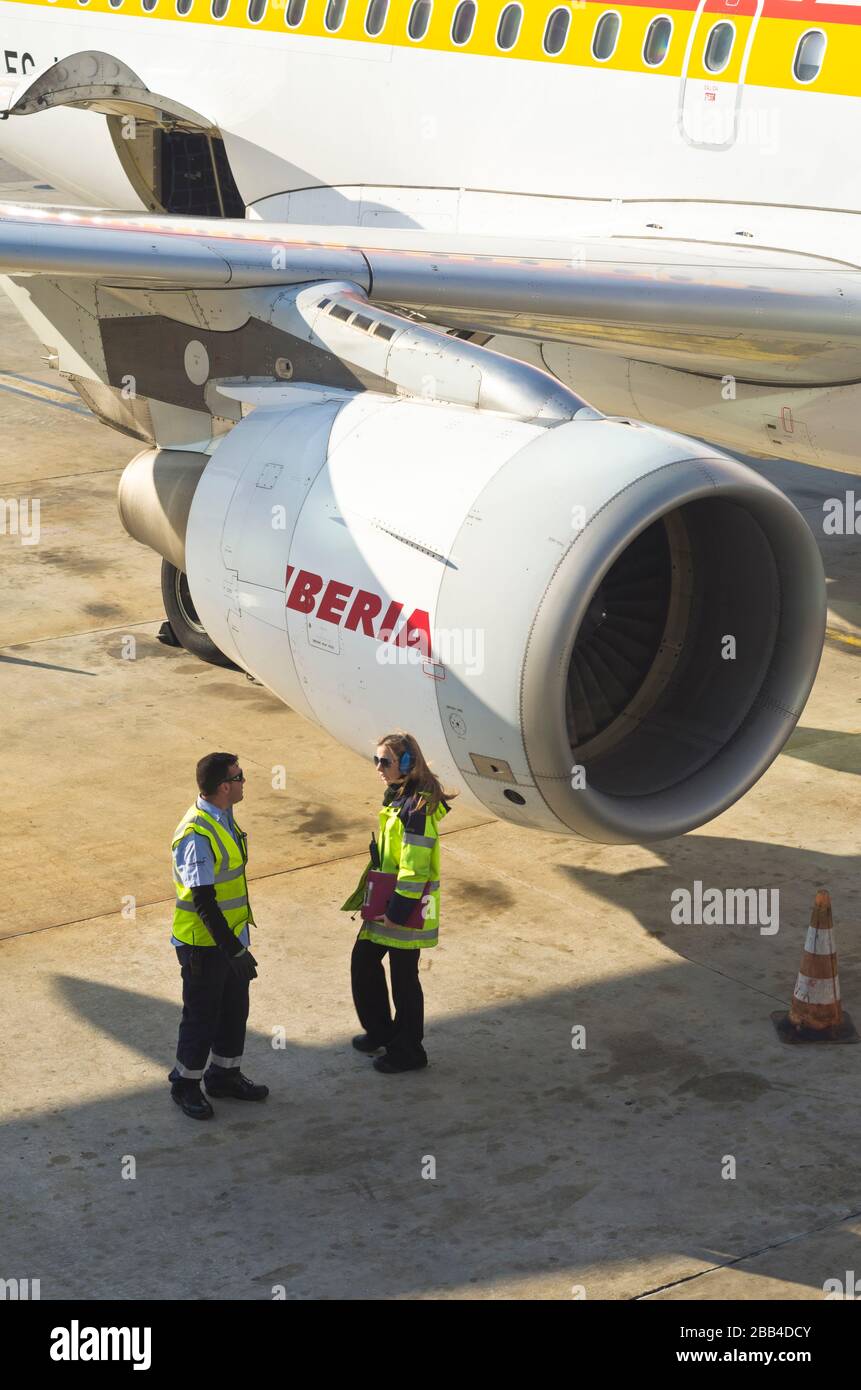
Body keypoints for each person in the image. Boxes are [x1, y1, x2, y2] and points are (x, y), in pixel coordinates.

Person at [344, 732, 455, 1074]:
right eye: (376, 759)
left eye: (385, 761)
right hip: (386, 900)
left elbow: (415, 867)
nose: (378, 767)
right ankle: (382, 1031)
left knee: (404, 979)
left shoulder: (416, 808)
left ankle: (409, 1050)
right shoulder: (397, 797)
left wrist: (397, 912)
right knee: (363, 963)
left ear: (406, 763)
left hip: (404, 908)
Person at [168, 752, 269, 1120]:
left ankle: (224, 1075)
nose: (245, 782)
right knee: (201, 1016)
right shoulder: (196, 833)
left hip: (230, 941)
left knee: (233, 1010)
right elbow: (204, 901)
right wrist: (233, 951)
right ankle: (185, 1084)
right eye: (240, 776)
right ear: (225, 786)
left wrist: (237, 946)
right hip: (204, 945)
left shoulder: (224, 817)